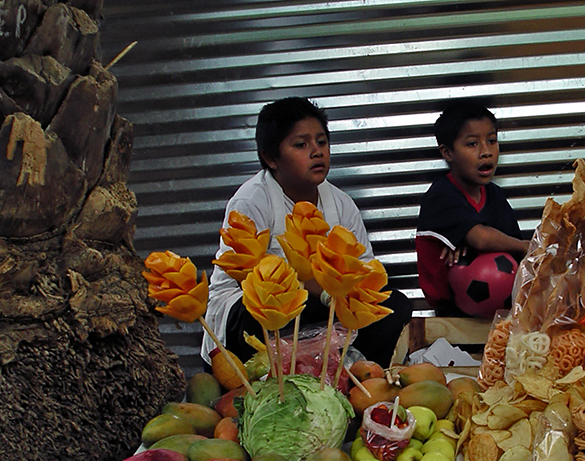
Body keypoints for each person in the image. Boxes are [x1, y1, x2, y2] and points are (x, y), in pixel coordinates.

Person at [202, 97, 412, 367]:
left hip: (325, 306)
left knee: (394, 305)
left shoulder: (341, 203)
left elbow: (366, 273)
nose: (317, 152)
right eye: (301, 145)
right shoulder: (251, 201)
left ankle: (348, 371)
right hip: (257, 310)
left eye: (322, 142)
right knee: (276, 306)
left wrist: (344, 294)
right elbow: (246, 276)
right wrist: (319, 289)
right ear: (270, 157)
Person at [415, 98, 528, 318]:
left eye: (492, 141)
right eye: (472, 144)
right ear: (447, 153)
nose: (486, 152)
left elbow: (509, 249)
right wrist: (525, 246)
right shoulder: (441, 195)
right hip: (452, 313)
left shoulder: (494, 195)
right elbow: (482, 239)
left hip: (501, 308)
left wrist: (483, 246)